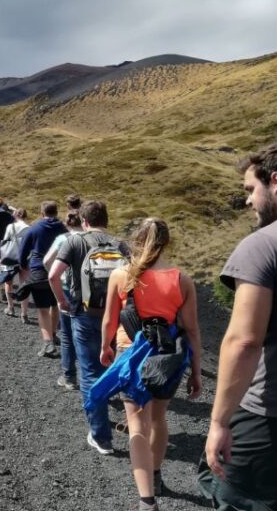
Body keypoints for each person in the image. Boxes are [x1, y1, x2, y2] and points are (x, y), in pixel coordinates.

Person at [200, 140, 277, 511]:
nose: (248, 201)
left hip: (272, 417)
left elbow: (243, 341)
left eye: (250, 190)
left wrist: (219, 421)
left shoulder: (263, 246)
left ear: (276, 181)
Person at [100, 218, 202, 511]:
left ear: (136, 241)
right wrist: (195, 371)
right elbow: (192, 329)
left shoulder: (122, 276)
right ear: (166, 243)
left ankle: (147, 501)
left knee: (137, 426)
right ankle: (156, 475)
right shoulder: (182, 279)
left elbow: (109, 320)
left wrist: (105, 349)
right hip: (168, 360)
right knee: (159, 419)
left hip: (130, 354)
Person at [49, 200, 129, 456]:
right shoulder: (120, 244)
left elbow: (53, 274)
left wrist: (63, 302)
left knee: (89, 371)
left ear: (84, 221)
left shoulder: (74, 241)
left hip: (83, 314)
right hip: (116, 315)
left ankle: (101, 437)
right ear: (106, 219)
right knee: (115, 364)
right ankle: (128, 418)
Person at [17, 201, 67, 357]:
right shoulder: (63, 228)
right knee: (55, 304)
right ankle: (53, 334)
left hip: (39, 271)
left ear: (42, 212)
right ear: (56, 212)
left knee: (42, 309)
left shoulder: (34, 228)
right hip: (59, 271)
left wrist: (24, 266)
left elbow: (23, 252)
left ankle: (48, 343)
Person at [43, 212, 84, 389]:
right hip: (93, 290)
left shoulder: (63, 238)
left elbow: (46, 261)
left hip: (68, 289)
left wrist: (58, 277)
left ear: (67, 224)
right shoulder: (92, 238)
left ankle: (69, 377)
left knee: (67, 334)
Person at [1, 208, 30, 318]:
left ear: (16, 215)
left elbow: (5, 241)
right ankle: (24, 313)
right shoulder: (29, 228)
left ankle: (11, 308)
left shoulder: (10, 226)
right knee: (24, 284)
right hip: (24, 258)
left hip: (10, 257)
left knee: (8, 282)